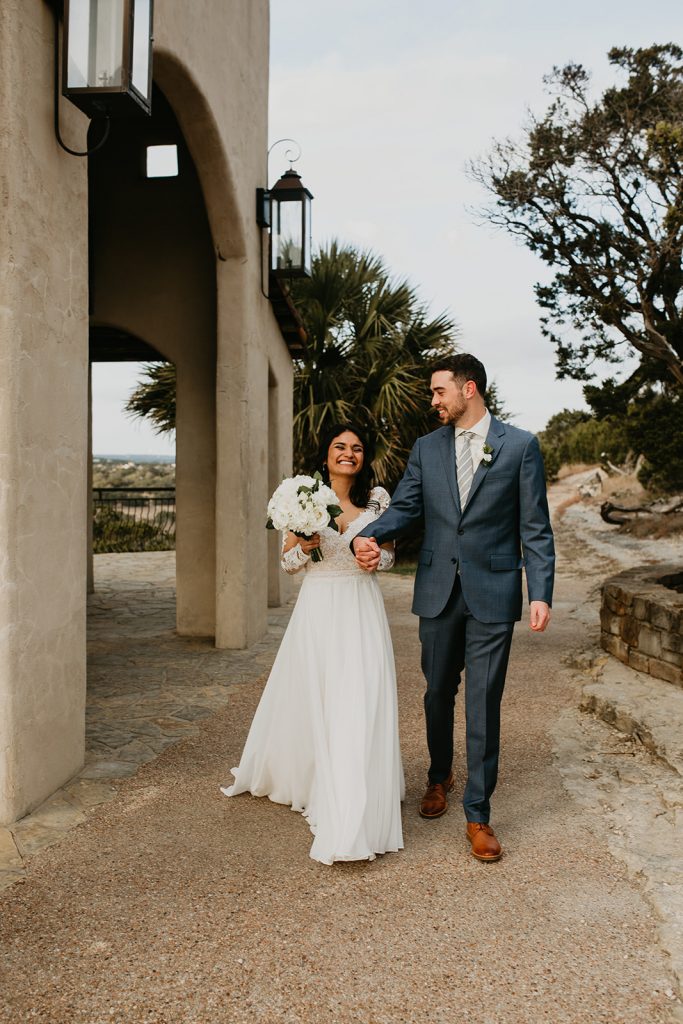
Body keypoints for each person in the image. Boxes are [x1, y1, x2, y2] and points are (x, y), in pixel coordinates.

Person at [353, 354, 554, 862]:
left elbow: (535, 525)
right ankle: (438, 775)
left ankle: (478, 814)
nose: (434, 400)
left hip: (495, 589)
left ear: (469, 389)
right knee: (438, 690)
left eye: (440, 391)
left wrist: (541, 591)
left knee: (485, 699)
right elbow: (406, 506)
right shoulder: (426, 448)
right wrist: (367, 534)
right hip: (439, 588)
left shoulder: (520, 446)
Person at [221, 424, 404, 865]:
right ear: (325, 456)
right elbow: (288, 565)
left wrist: (378, 556)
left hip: (361, 607)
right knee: (319, 694)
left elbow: (391, 553)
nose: (349, 453)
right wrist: (303, 545)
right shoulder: (305, 497)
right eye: (340, 446)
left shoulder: (378, 501)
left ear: (364, 458)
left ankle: (355, 787)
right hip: (319, 607)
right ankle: (312, 776)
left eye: (357, 448)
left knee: (360, 695)